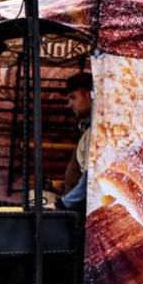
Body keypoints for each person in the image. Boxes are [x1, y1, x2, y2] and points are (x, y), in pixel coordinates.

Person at [57, 73, 93, 211]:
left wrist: (65, 203)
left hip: (79, 210)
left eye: (73, 97)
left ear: (89, 95)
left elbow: (90, 177)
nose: (69, 104)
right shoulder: (89, 130)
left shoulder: (96, 133)